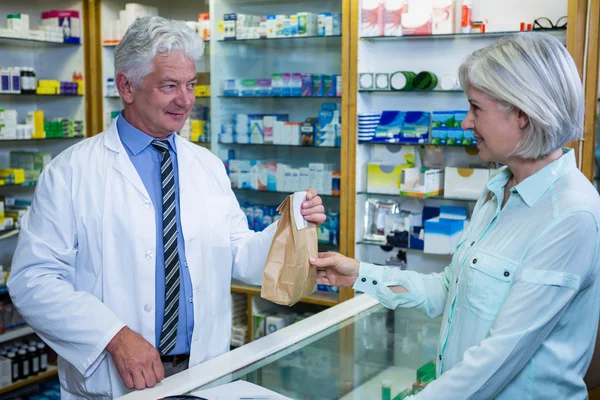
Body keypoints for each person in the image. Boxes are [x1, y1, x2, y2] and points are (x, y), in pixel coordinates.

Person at [7, 17, 326, 399]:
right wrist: (114, 336)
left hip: (203, 368)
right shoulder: (71, 172)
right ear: (127, 86)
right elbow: (33, 280)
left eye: (191, 85)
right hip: (118, 372)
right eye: (170, 86)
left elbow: (238, 254)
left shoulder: (206, 165)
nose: (186, 100)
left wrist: (290, 227)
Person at [311, 32, 600, 399]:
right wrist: (359, 274)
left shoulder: (570, 214)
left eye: (476, 108)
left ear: (524, 114)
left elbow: (500, 357)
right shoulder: (499, 189)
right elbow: (451, 289)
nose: (465, 122)